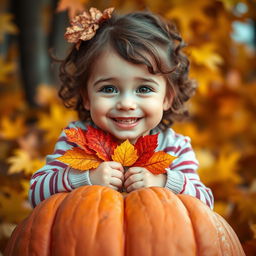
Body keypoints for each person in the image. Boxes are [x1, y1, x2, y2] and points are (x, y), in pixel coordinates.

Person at [29, 7, 214, 209]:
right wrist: (85, 178)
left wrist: (162, 182)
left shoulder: (174, 147)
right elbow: (36, 195)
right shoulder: (77, 140)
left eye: (144, 88)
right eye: (109, 88)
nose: (126, 103)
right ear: (87, 97)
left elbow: (205, 204)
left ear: (167, 98)